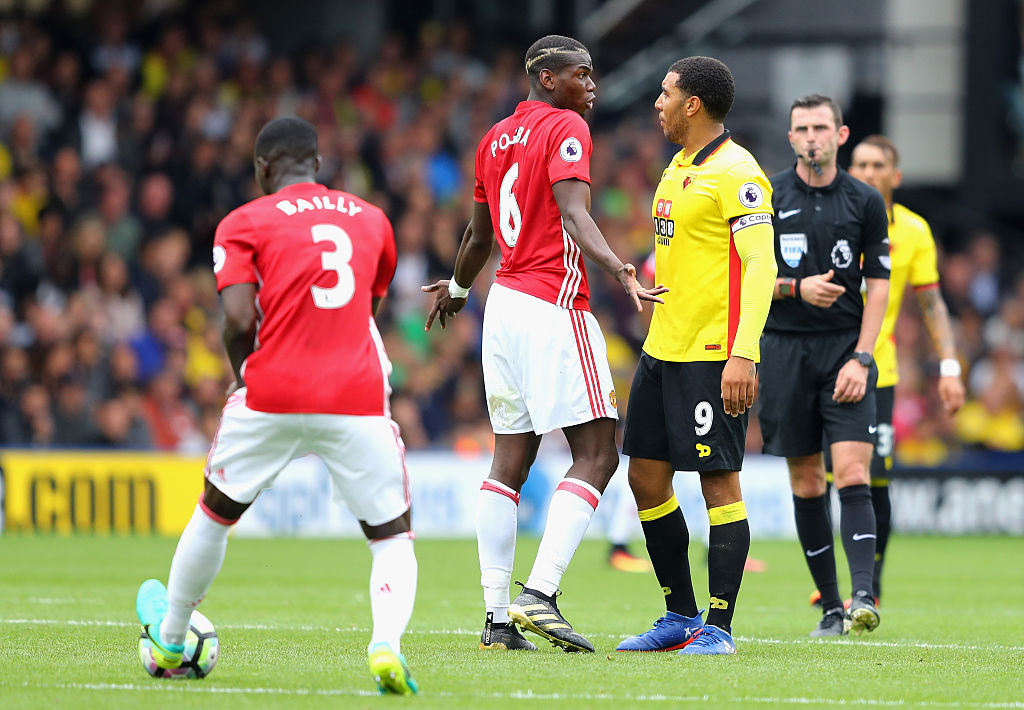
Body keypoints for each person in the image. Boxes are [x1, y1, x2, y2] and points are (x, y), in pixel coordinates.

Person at [134, 117, 419, 695]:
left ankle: (169, 635)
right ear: (317, 163)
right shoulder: (373, 220)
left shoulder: (244, 221)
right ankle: (386, 646)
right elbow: (367, 305)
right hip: (355, 394)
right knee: (390, 536)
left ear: (263, 168)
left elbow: (239, 319)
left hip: (272, 391)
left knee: (215, 514)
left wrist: (246, 375)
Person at [422, 34, 664, 654]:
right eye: (583, 74)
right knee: (599, 451)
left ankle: (496, 618)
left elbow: (479, 237)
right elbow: (576, 215)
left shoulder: (491, 138)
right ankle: (541, 594)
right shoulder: (567, 129)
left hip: (500, 304)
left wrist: (455, 287)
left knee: (509, 463)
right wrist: (620, 269)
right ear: (549, 78)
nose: (593, 86)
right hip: (553, 301)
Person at [614, 56, 777, 656]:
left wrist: (743, 353)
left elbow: (761, 266)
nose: (656, 102)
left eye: (665, 93)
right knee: (646, 477)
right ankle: (678, 615)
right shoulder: (679, 166)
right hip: (661, 351)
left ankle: (720, 627)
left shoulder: (739, 173)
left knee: (718, 483)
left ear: (693, 105)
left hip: (713, 355)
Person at [809, 134, 966, 606]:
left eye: (879, 165)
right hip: (821, 367)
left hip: (880, 371)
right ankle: (836, 586)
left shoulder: (914, 231)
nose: (869, 172)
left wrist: (951, 367)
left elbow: (932, 302)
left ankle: (868, 587)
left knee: (872, 476)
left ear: (895, 176)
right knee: (826, 478)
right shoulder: (829, 219)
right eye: (861, 164)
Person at [760, 95, 890, 637]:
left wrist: (863, 355)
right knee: (808, 479)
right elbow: (743, 277)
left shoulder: (864, 200)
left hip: (843, 350)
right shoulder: (767, 195)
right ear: (790, 138)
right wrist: (794, 288)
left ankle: (865, 595)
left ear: (841, 135)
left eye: (820, 127)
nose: (811, 136)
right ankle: (831, 609)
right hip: (784, 348)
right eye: (801, 128)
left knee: (854, 472)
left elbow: (879, 285)